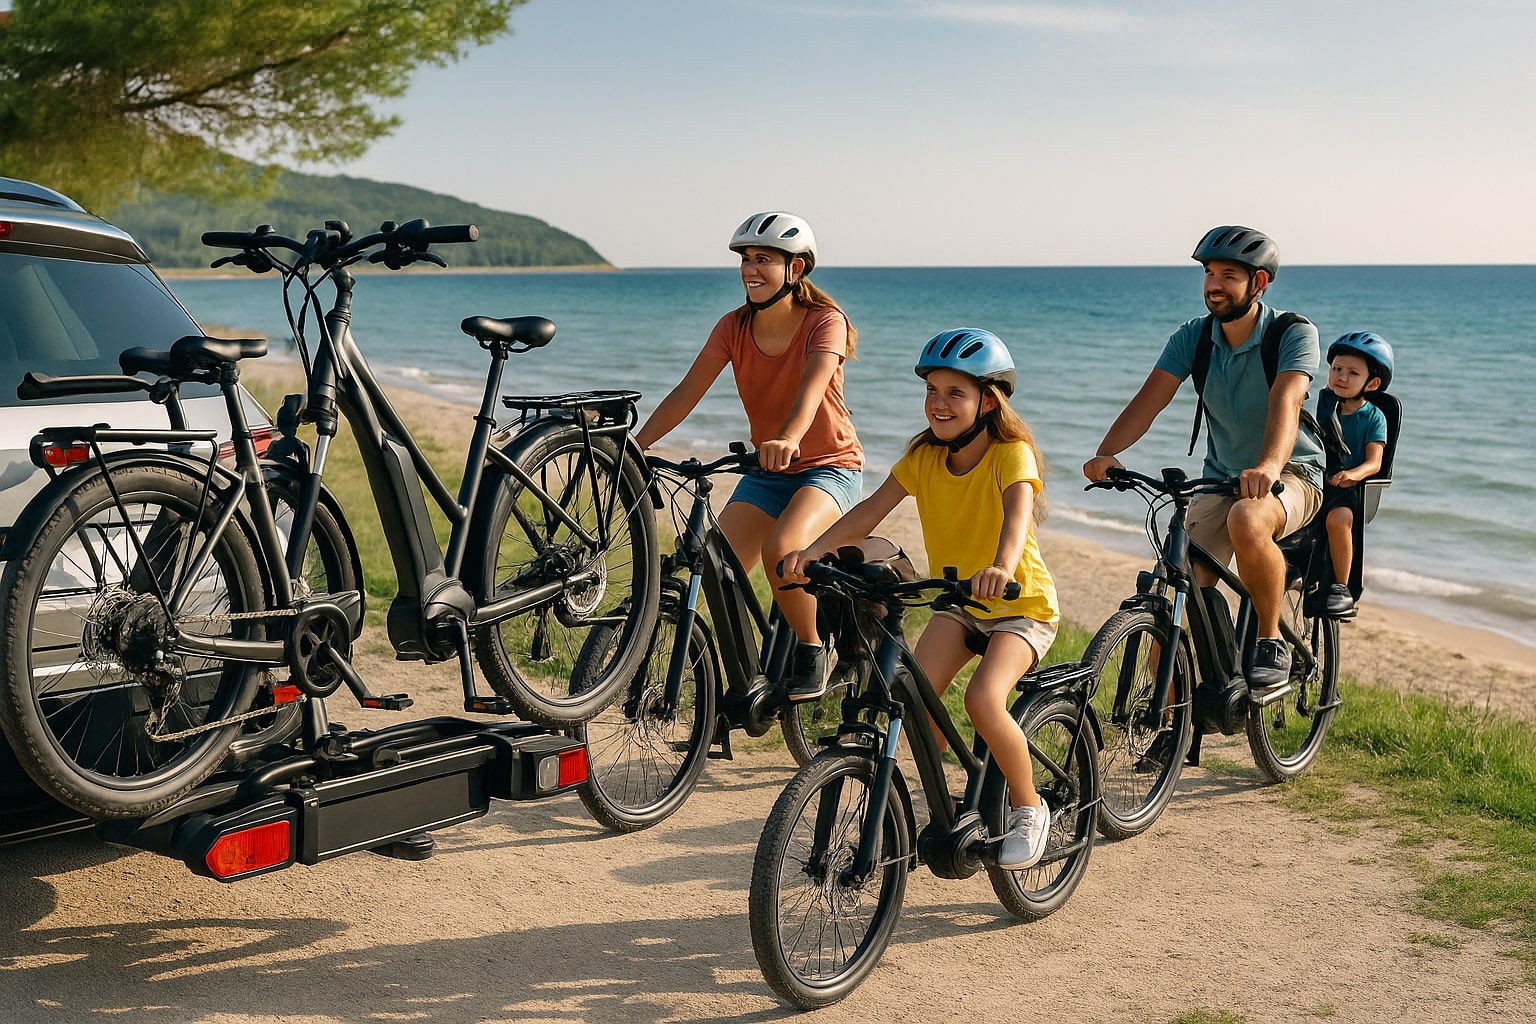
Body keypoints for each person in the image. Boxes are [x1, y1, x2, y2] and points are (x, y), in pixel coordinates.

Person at [782, 329, 1059, 871]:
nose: (939, 402)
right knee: (912, 705)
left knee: (983, 700)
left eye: (955, 392)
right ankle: (953, 799)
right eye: (932, 390)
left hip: (1018, 605)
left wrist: (1002, 566)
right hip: (959, 602)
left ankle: (1030, 807)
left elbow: (1016, 517)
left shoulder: (1011, 455)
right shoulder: (924, 456)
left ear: (988, 400)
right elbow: (870, 512)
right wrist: (812, 548)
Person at [1083, 225, 1325, 689]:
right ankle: (1177, 725)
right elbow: (1148, 401)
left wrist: (1269, 467)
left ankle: (1269, 638)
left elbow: (1288, 400)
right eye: (1209, 273)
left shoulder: (1293, 333)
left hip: (1294, 472)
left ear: (1258, 284)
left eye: (1228, 275)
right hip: (1221, 477)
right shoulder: (1193, 338)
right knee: (1176, 591)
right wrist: (1107, 453)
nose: (1214, 284)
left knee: (1248, 521)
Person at [634, 211, 863, 700]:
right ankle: (742, 679)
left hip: (829, 468)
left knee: (783, 551)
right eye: (745, 259)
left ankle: (811, 648)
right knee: (716, 569)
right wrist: (637, 445)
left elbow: (811, 390)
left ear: (795, 270)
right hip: (766, 473)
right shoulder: (733, 326)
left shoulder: (827, 322)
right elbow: (686, 393)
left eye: (764, 259)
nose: (750, 269)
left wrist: (788, 438)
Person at [1318, 332, 1393, 616]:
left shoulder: (1374, 417)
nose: (1341, 377)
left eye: (1352, 373)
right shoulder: (1323, 404)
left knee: (1339, 519)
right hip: (1317, 479)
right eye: (1337, 369)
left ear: (1371, 383)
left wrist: (1352, 474)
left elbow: (1375, 463)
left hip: (1349, 486)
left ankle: (1341, 585)